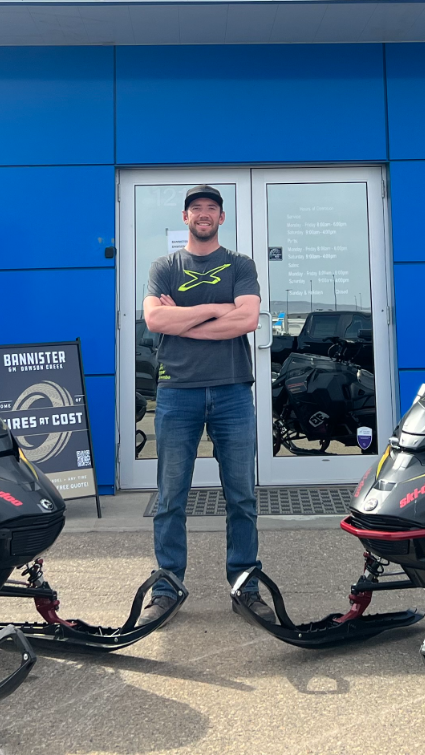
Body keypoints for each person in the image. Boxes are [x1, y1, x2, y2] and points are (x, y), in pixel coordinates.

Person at [137, 184, 275, 626]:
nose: (203, 214)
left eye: (211, 209)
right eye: (196, 208)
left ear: (221, 218)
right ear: (185, 218)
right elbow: (155, 319)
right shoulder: (164, 266)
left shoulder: (240, 265)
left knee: (242, 497)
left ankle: (245, 587)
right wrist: (219, 311)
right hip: (177, 391)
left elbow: (248, 319)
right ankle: (166, 587)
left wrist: (185, 321)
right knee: (170, 498)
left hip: (233, 390)